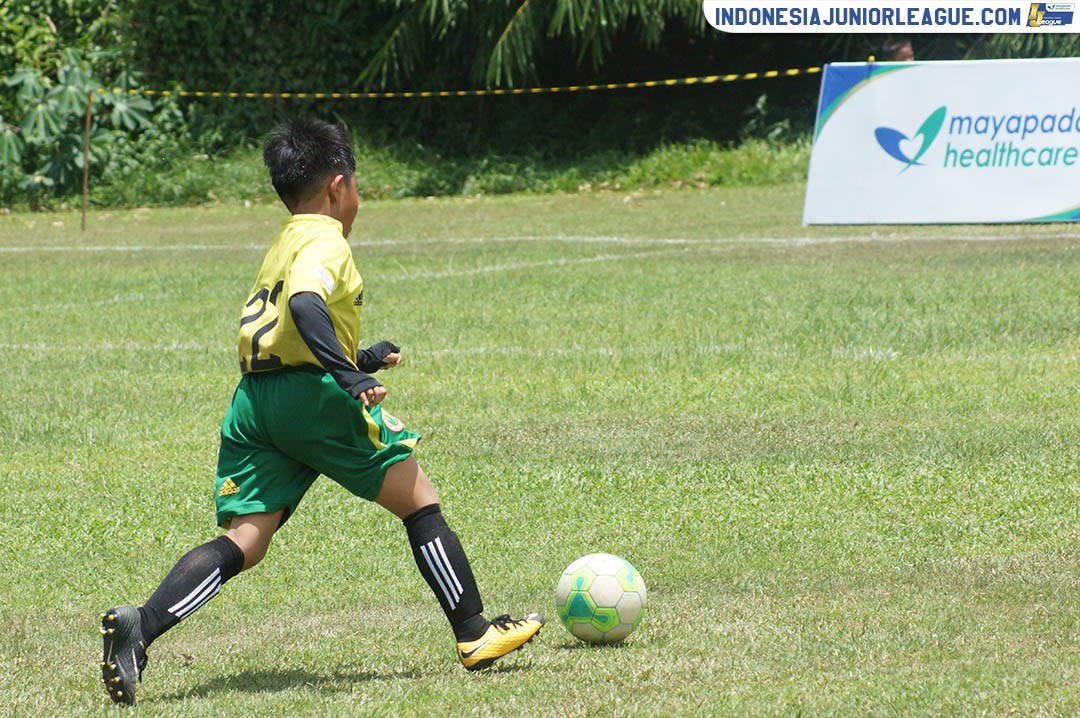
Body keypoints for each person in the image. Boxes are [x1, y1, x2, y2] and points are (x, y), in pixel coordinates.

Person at [98, 116, 543, 706]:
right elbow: (307, 304)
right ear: (338, 187)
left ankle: (140, 626)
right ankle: (474, 632)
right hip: (311, 400)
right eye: (357, 186)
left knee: (247, 538)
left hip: (256, 403)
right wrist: (349, 375)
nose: (359, 199)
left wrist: (360, 354)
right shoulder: (327, 239)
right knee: (419, 500)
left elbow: (293, 328)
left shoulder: (285, 237)